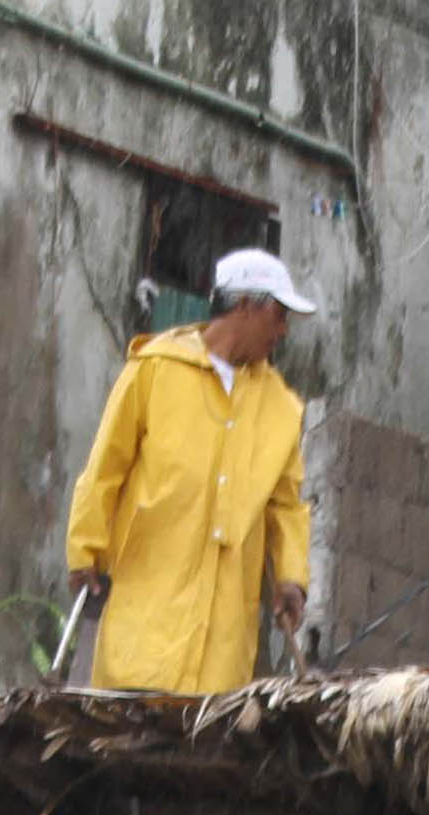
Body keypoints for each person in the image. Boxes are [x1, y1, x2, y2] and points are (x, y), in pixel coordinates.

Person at [61, 247, 317, 695]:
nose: (283, 330)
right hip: (145, 634)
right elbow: (105, 467)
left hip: (221, 654)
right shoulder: (155, 370)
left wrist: (292, 577)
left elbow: (287, 507)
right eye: (278, 314)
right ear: (244, 305)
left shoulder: (280, 407)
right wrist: (85, 551)